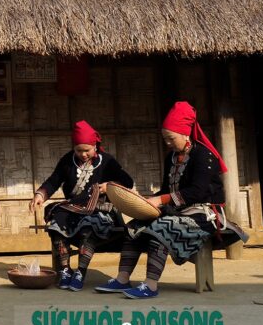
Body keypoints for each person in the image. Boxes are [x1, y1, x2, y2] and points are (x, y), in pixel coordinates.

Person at [96, 102, 249, 298]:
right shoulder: (171, 158)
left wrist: (162, 199)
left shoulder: (204, 156)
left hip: (203, 213)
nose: (167, 143)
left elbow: (198, 191)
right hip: (177, 210)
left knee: (162, 228)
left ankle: (150, 285)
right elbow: (167, 190)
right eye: (165, 139)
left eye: (171, 138)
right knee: (134, 226)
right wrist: (148, 200)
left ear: (185, 134)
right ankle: (122, 279)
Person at [29, 120, 134, 291]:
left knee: (90, 225)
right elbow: (53, 181)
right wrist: (40, 195)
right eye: (79, 150)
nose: (83, 154)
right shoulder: (67, 160)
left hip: (101, 209)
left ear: (95, 146)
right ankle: (64, 270)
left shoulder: (107, 161)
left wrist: (109, 186)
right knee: (56, 223)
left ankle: (80, 272)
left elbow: (128, 182)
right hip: (73, 209)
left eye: (87, 150)